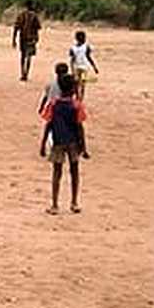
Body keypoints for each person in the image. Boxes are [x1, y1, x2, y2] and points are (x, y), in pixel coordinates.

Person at [39, 74, 88, 214]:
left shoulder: (53, 104)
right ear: (73, 89)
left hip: (58, 141)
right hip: (73, 142)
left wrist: (43, 143)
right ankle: (74, 202)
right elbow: (80, 127)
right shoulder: (77, 105)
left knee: (57, 172)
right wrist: (84, 146)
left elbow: (48, 124)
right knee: (74, 171)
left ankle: (55, 204)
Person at [12, 0, 43, 81]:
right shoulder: (34, 16)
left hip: (22, 38)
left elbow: (16, 28)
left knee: (23, 56)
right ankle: (26, 73)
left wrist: (14, 39)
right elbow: (38, 28)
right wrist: (36, 38)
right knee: (29, 56)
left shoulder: (21, 15)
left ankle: (22, 72)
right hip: (31, 38)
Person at [68, 30, 99, 100]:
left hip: (83, 67)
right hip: (77, 67)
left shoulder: (86, 47)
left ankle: (80, 98)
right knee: (76, 83)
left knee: (82, 83)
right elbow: (72, 59)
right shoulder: (73, 48)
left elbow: (88, 57)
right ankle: (78, 96)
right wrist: (72, 69)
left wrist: (94, 67)